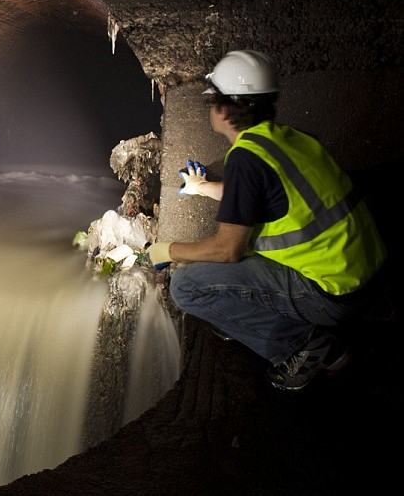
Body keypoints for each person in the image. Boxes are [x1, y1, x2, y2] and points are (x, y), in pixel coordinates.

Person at [147, 50, 386, 391]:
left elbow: (227, 250)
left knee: (187, 286)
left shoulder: (245, 157)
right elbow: (261, 194)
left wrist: (167, 250)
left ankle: (305, 346)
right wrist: (202, 187)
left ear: (224, 109)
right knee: (230, 271)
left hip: (333, 294)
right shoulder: (289, 140)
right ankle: (247, 317)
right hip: (367, 271)